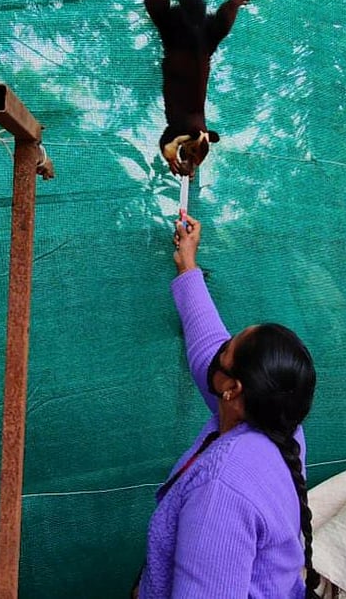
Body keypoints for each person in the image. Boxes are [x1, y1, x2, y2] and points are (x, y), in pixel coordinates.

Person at [135, 214, 321, 598]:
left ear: (233, 390)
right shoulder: (280, 426)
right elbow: (208, 346)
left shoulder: (220, 492)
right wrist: (188, 264)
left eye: (228, 349)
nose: (219, 348)